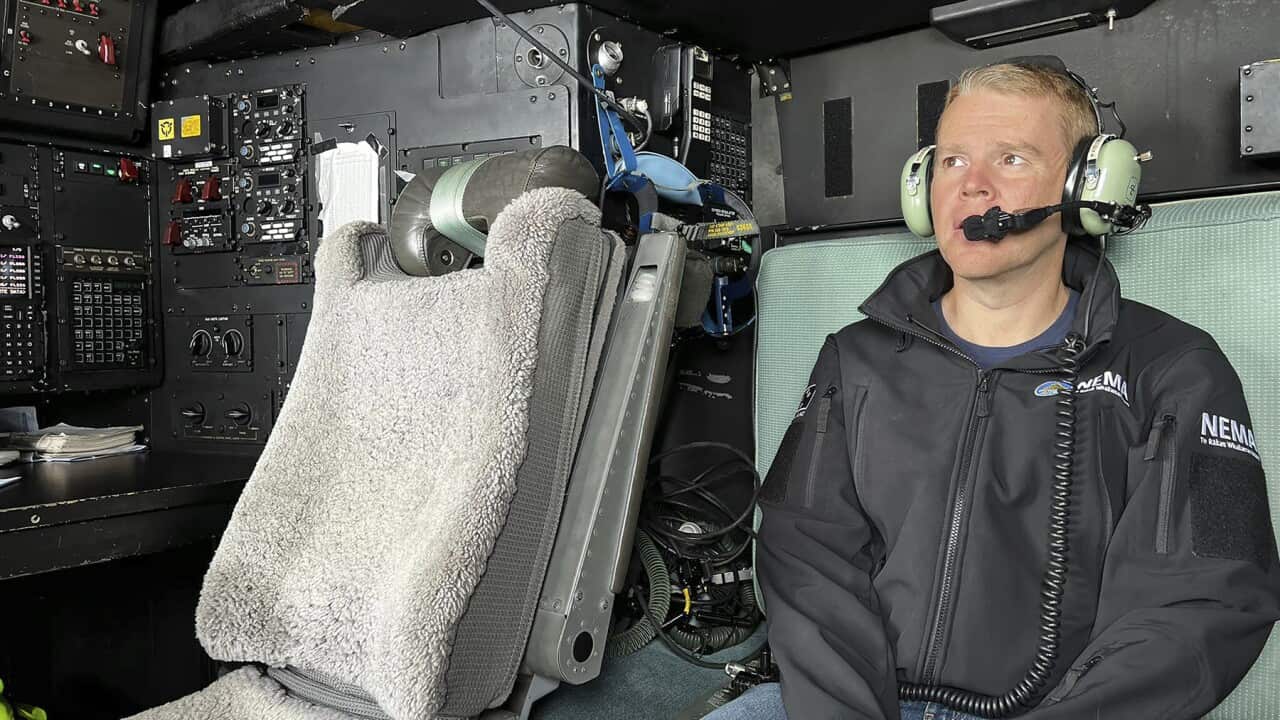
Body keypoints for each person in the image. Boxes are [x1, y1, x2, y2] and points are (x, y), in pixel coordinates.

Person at [706, 59, 1280, 720]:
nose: (970, 188)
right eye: (951, 161)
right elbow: (803, 553)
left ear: (1086, 188)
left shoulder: (1174, 369)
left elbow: (1200, 601)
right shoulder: (855, 358)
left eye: (1010, 158)